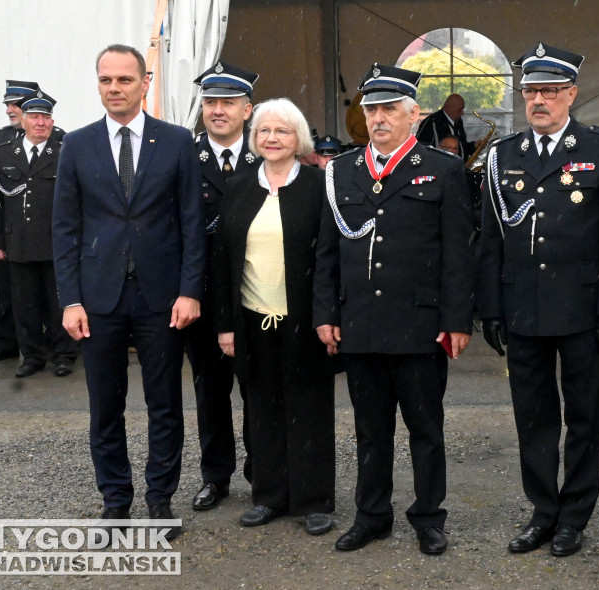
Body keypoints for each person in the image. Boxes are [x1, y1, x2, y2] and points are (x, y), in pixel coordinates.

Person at [478, 42, 599, 557]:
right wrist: (492, 309)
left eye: (549, 91)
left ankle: (574, 517)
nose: (538, 100)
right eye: (530, 92)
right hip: (523, 309)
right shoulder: (504, 156)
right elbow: (491, 238)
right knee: (534, 416)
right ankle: (543, 512)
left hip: (582, 312)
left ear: (571, 94)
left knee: (585, 417)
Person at [315, 63, 475, 556]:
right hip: (360, 322)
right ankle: (372, 515)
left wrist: (455, 321)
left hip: (420, 325)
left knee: (425, 429)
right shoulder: (342, 169)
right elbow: (326, 251)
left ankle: (428, 517)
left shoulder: (444, 169)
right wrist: (326, 313)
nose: (379, 118)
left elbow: (458, 253)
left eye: (389, 109)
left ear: (414, 113)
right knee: (370, 430)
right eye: (372, 109)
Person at [52, 44, 205, 539]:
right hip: (99, 300)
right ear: (97, 84)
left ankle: (160, 500)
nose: (114, 88)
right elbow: (65, 228)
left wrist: (189, 290)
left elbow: (191, 223)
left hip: (162, 299)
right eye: (105, 80)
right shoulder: (77, 145)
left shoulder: (177, 141)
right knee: (105, 407)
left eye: (123, 80)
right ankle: (116, 501)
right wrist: (71, 299)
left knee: (164, 404)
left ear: (145, 82)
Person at [211, 97, 338, 536]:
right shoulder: (240, 185)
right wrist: (225, 324)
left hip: (306, 320)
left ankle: (314, 500)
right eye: (264, 131)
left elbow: (329, 259)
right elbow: (223, 258)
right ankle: (269, 496)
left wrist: (328, 315)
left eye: (282, 131)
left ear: (298, 137)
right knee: (260, 409)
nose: (272, 138)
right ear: (254, 137)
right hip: (252, 319)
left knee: (310, 407)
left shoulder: (320, 185)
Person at [186, 61, 260, 512]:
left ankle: (263, 474)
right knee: (209, 391)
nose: (217, 111)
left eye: (227, 103)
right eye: (210, 102)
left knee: (256, 388)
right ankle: (216, 476)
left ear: (247, 110)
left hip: (254, 295)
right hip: (204, 295)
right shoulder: (182, 157)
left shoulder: (267, 156)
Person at [0, 90, 78, 378]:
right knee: (25, 305)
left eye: (46, 117)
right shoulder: (1, 155)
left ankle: (63, 355)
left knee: (59, 301)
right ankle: (32, 356)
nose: (41, 123)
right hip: (19, 243)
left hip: (56, 243)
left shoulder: (66, 151)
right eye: (35, 117)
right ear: (23, 121)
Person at [0, 80, 40, 365]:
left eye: (15, 104)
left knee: (42, 290)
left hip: (38, 230)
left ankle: (47, 345)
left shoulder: (49, 136)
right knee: (6, 289)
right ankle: (6, 341)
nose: (9, 110)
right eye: (7, 104)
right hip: (7, 229)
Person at [416, 93, 475, 160]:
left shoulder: (458, 121)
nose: (462, 112)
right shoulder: (431, 123)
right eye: (460, 109)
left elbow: (461, 147)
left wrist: (473, 145)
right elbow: (420, 147)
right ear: (449, 107)